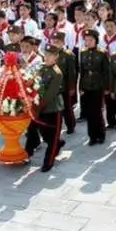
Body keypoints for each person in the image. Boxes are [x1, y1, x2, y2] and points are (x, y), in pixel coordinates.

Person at [34, 44, 67, 172]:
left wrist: (38, 106)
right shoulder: (41, 68)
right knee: (44, 134)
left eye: (50, 55)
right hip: (41, 107)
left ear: (56, 57)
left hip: (53, 108)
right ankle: (58, 143)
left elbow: (50, 94)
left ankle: (49, 161)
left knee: (52, 136)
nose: (46, 58)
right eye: (45, 55)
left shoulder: (56, 73)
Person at [79, 29, 109, 145]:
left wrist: (106, 87)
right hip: (87, 84)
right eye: (86, 40)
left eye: (90, 40)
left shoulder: (102, 52)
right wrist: (80, 87)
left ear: (96, 40)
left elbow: (106, 72)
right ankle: (91, 136)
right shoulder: (83, 52)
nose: (88, 42)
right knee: (89, 112)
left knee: (97, 111)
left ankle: (100, 134)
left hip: (98, 84)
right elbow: (82, 71)